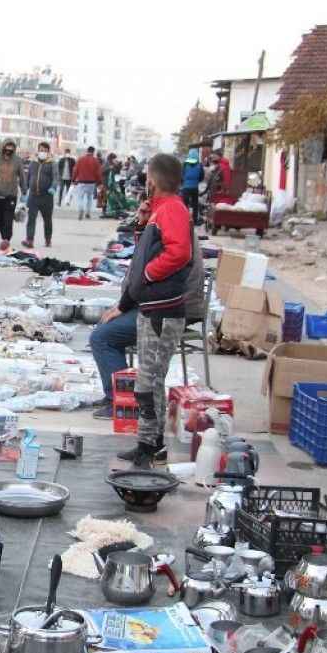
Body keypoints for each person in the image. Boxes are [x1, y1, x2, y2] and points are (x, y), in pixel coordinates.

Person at [101, 153, 194, 469]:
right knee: (150, 381)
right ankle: (149, 443)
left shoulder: (172, 210)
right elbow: (154, 252)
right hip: (153, 308)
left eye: (148, 179)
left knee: (147, 382)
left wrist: (149, 274)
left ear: (153, 179)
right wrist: (143, 226)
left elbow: (179, 253)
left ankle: (149, 445)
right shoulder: (163, 211)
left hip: (162, 311)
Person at [0, 139, 23, 252]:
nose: (9, 149)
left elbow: (22, 176)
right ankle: (4, 237)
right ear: (3, 147)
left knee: (8, 220)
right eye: (7, 147)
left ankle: (6, 239)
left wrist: (24, 191)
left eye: (11, 147)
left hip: (11, 195)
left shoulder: (17, 160)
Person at [22, 142, 55, 249]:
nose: (42, 152)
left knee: (47, 219)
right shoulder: (33, 163)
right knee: (31, 218)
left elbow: (56, 178)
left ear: (48, 152)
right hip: (33, 196)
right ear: (38, 150)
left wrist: (53, 187)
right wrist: (25, 190)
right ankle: (29, 240)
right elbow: (28, 176)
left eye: (45, 150)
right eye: (41, 150)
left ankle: (48, 239)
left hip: (46, 196)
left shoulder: (52, 164)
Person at [72, 146, 101, 220]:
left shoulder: (80, 159)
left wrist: (73, 179)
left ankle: (81, 208)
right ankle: (88, 212)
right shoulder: (95, 161)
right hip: (91, 182)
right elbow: (98, 173)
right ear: (93, 152)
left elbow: (75, 170)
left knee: (80, 197)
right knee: (89, 198)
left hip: (81, 181)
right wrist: (99, 183)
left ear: (87, 151)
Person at [181, 148, 205, 225]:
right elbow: (202, 176)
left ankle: (184, 219)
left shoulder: (185, 164)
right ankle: (194, 220)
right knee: (195, 204)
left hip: (186, 187)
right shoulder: (199, 165)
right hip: (195, 187)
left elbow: (181, 174)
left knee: (185, 204)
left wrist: (184, 182)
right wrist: (197, 181)